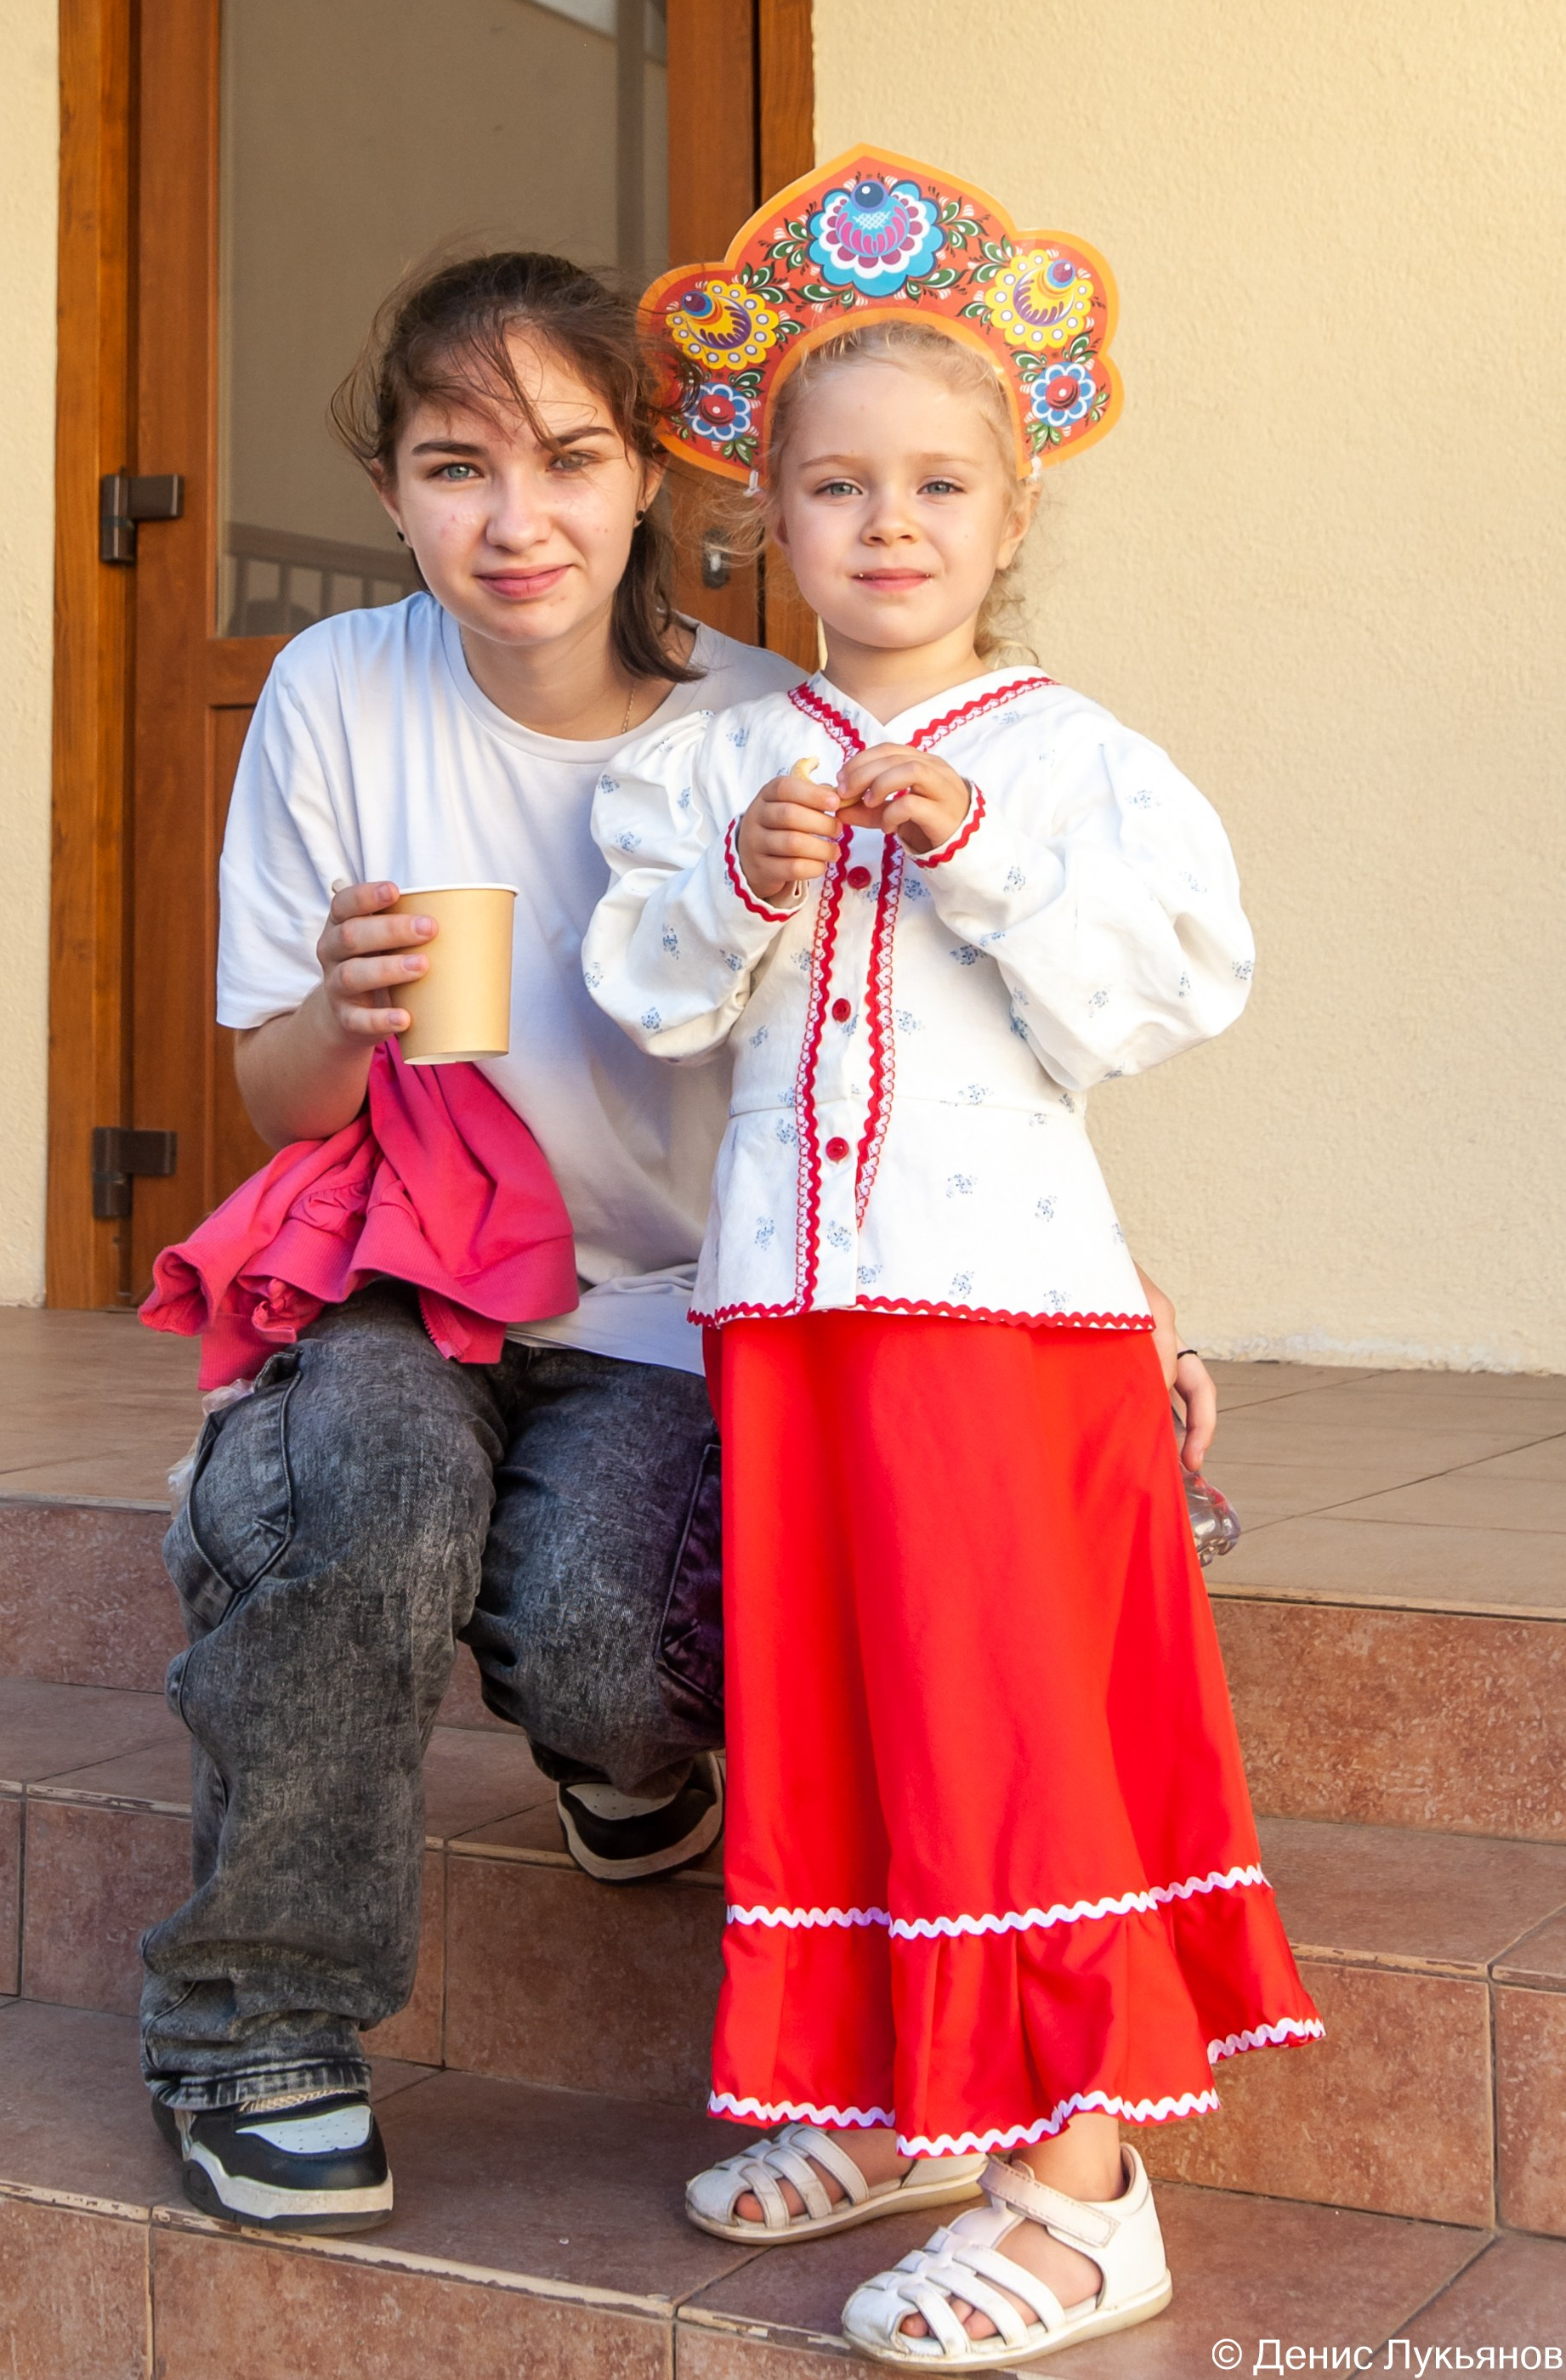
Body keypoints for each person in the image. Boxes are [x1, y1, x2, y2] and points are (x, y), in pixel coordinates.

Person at [139, 243, 1219, 2242]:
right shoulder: (333, 689)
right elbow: (275, 1101)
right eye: (456, 466)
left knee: (614, 1640)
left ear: (652, 476)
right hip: (426, 1279)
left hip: (667, 1312)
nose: (514, 515)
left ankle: (623, 1774)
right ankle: (255, 2025)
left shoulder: (762, 726)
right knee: (360, 1486)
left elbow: (944, 1062)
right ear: (392, 493)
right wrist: (343, 1011)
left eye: (565, 455)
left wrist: (1116, 1294)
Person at [585, 153, 1319, 2368]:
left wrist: (980, 858)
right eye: (832, 486)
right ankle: (918, 2098)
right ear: (766, 522)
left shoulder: (1071, 761)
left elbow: (1173, 985)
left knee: (1000, 1729)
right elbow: (655, 988)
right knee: (843, 1713)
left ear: (1010, 518)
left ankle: (1084, 2191)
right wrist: (740, 883)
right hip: (797, 1317)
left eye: (934, 485)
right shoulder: (722, 757)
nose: (884, 524)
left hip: (1003, 1327)